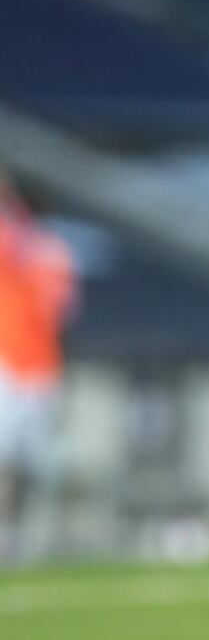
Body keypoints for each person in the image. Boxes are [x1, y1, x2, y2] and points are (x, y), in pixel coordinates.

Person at [0, 174, 75, 561]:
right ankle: (10, 535)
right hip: (17, 365)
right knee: (11, 459)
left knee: (29, 463)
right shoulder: (52, 250)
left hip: (33, 366)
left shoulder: (42, 249)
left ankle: (18, 538)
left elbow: (57, 311)